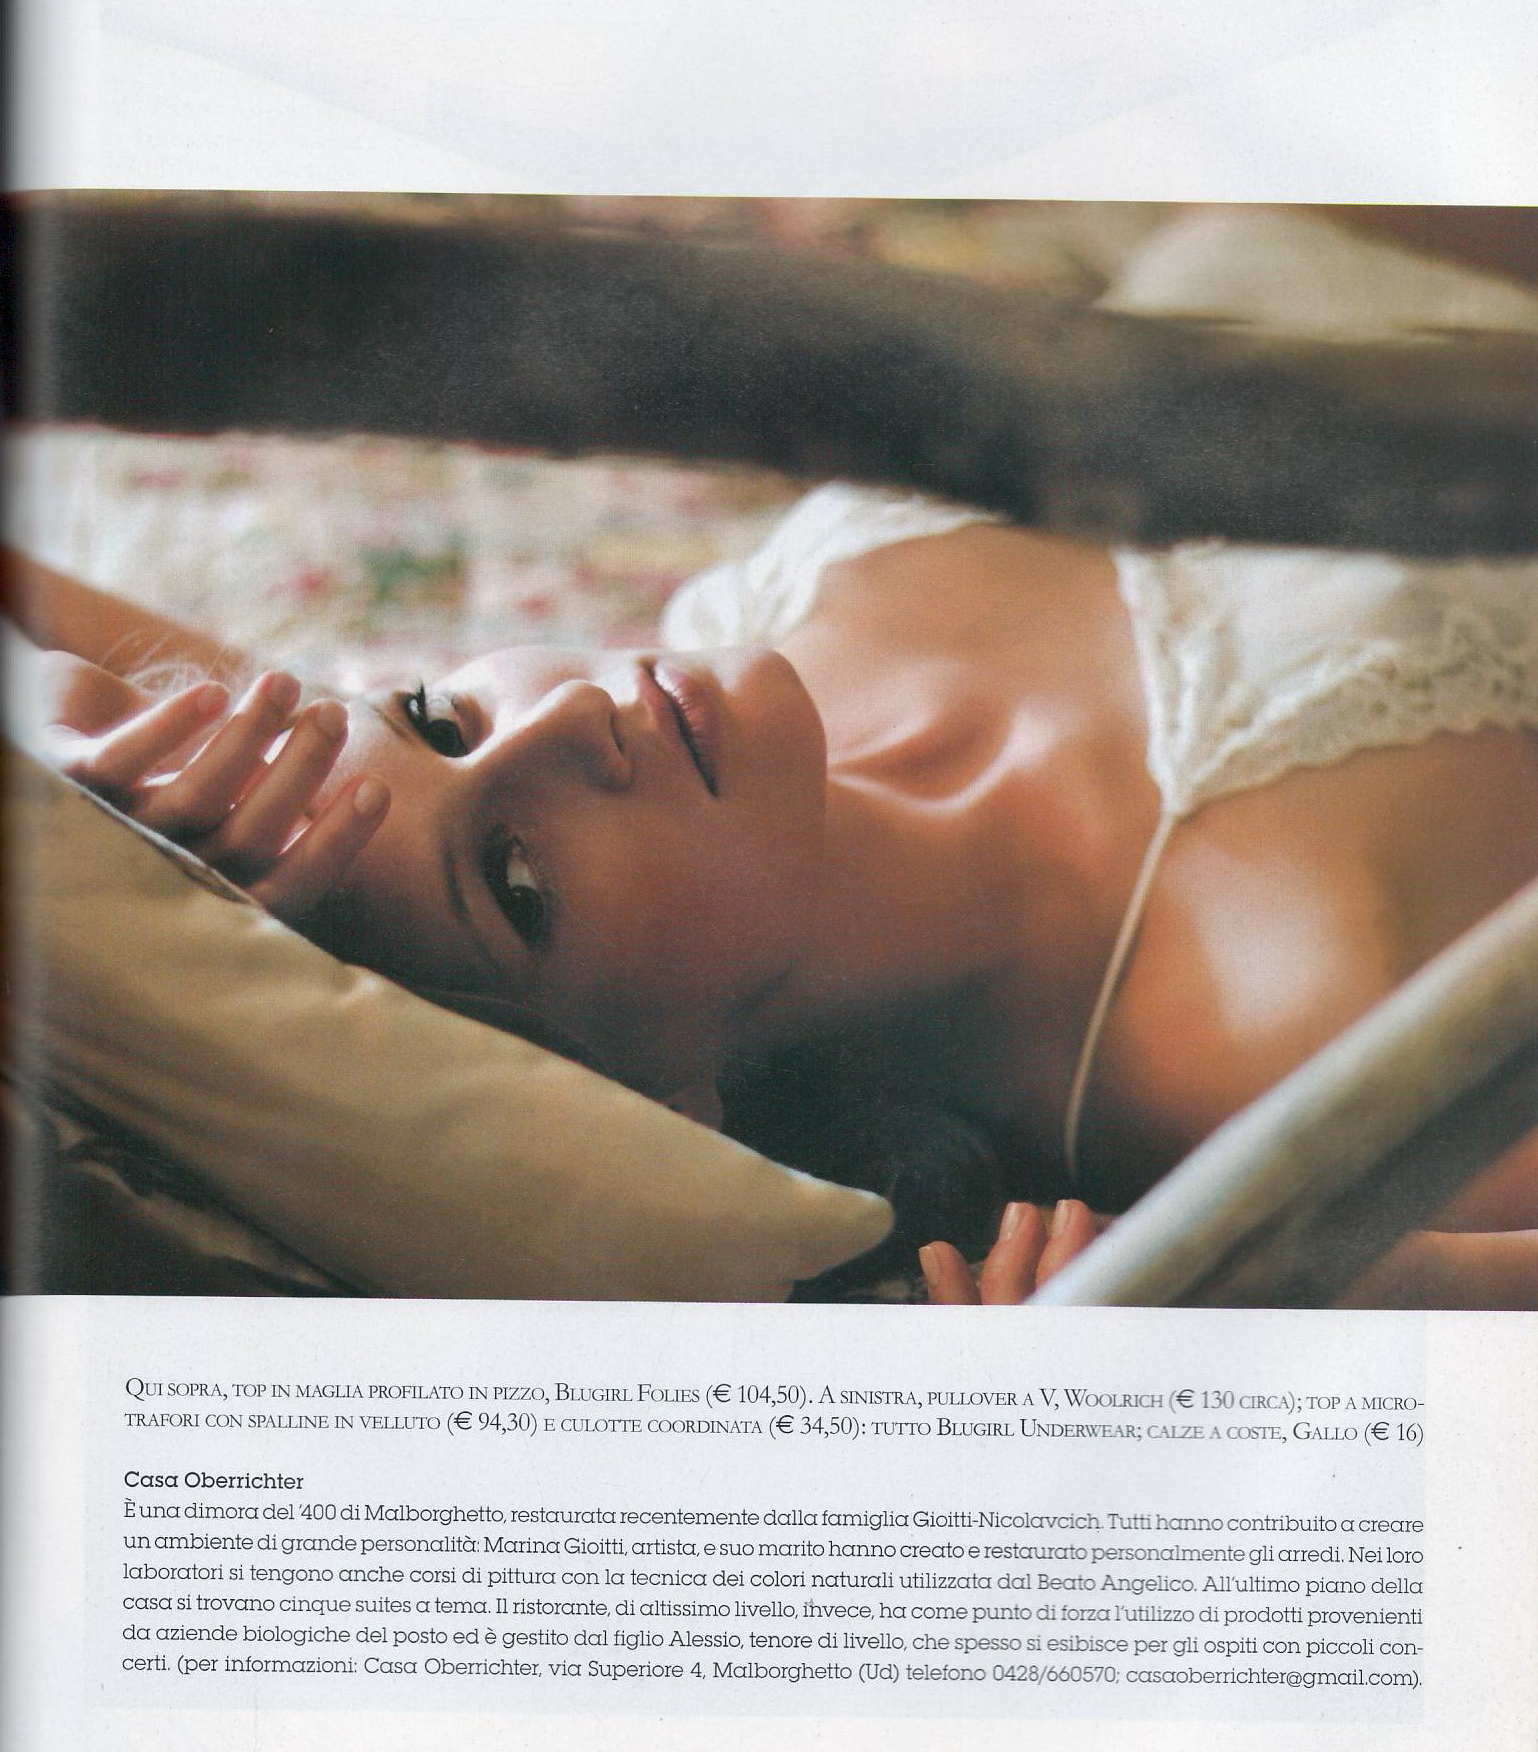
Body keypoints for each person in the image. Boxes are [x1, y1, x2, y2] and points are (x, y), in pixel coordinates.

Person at [7, 480, 1538, 1309]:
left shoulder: (746, 632)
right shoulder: (1251, 1041)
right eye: (518, 879)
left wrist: (53, 737)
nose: (566, 718)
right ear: (665, 1097)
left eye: (438, 714)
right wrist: (1250, 1299)